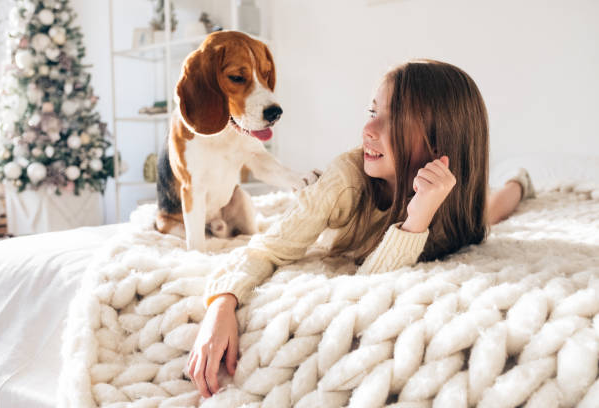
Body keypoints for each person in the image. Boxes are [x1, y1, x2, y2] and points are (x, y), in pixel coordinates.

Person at [186, 59, 536, 398]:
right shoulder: (344, 180)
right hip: (335, 201)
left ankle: (518, 183)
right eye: (372, 113)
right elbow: (268, 248)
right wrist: (222, 305)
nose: (368, 130)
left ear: (440, 141)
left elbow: (391, 276)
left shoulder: (449, 197)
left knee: (491, 211)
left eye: (393, 118)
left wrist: (420, 215)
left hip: (445, 196)